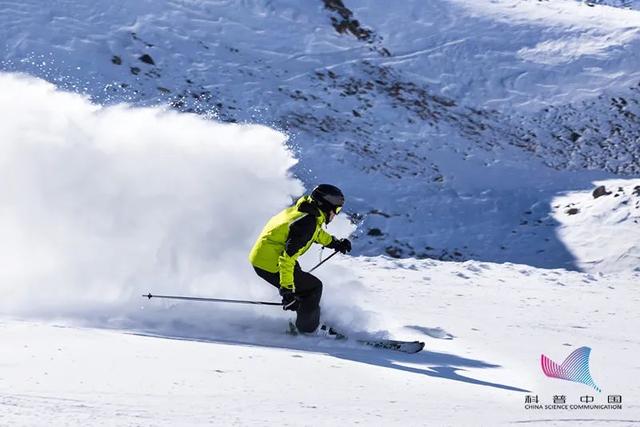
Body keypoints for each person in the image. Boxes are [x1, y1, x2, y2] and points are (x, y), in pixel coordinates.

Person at [249, 184, 352, 334]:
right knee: (313, 288)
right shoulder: (307, 223)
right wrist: (287, 290)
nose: (336, 214)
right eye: (336, 209)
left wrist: (335, 243)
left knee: (302, 285)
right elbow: (287, 259)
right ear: (326, 206)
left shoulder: (307, 213)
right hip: (270, 262)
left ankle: (306, 321)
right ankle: (308, 330)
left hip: (266, 256)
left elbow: (315, 233)